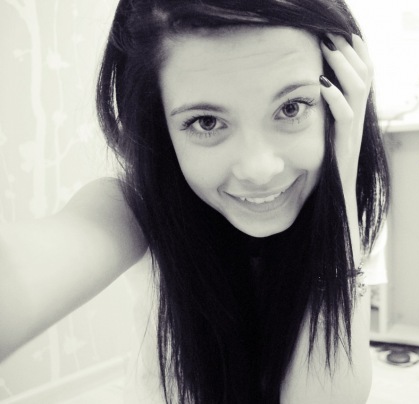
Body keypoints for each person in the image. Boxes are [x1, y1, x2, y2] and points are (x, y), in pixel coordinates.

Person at [0, 0, 390, 402]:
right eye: (207, 122)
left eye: (291, 108)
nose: (259, 169)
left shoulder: (350, 202)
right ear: (161, 127)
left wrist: (342, 185)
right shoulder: (136, 207)